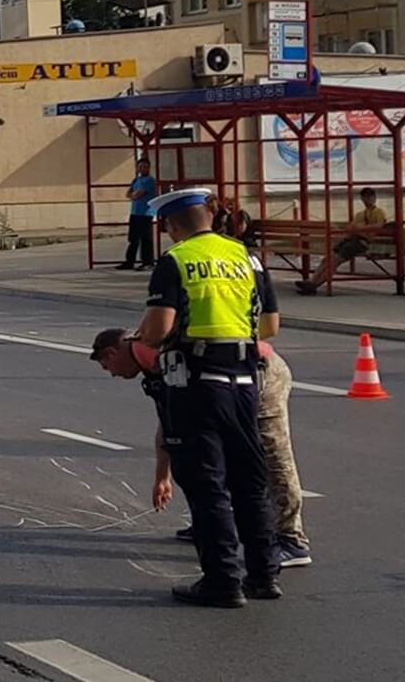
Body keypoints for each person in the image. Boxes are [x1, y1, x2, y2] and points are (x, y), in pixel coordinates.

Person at [135, 186, 279, 607]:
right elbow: (269, 325)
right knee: (249, 482)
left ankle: (222, 580)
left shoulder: (176, 261)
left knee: (207, 483)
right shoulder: (247, 257)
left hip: (197, 383)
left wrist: (151, 334)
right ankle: (264, 575)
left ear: (171, 225)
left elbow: (158, 330)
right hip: (245, 381)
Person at [92, 317, 313, 573]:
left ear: (112, 352)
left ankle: (291, 540)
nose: (112, 374)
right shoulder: (152, 364)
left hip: (257, 375)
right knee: (210, 453)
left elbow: (260, 344)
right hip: (220, 386)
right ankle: (212, 523)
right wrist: (163, 476)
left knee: (273, 456)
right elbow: (169, 423)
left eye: (107, 365)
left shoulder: (161, 351)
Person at [296, 187, 388, 295]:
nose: (368, 199)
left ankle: (315, 284)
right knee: (327, 259)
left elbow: (378, 226)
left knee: (334, 260)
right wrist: (351, 230)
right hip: (352, 239)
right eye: (366, 197)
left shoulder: (379, 212)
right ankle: (312, 281)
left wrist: (359, 229)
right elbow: (350, 227)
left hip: (362, 242)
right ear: (362, 198)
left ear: (374, 197)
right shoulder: (360, 214)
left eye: (371, 196)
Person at [121, 158, 156, 270]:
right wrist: (133, 195)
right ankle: (129, 262)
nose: (142, 169)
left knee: (145, 239)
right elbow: (129, 193)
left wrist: (134, 195)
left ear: (149, 168)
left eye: (145, 167)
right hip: (135, 212)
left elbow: (138, 195)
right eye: (140, 166)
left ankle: (148, 262)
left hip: (146, 213)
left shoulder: (150, 181)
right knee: (133, 238)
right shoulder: (136, 180)